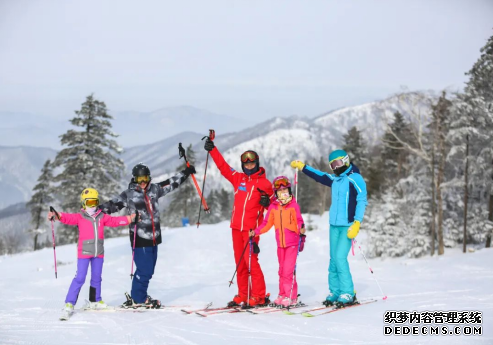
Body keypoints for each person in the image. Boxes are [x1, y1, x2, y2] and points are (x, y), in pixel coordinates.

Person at [99, 162, 195, 308]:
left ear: (149, 178)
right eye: (139, 179)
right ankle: (138, 298)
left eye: (145, 178)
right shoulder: (129, 195)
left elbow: (171, 183)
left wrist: (186, 172)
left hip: (154, 237)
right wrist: (95, 210)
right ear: (134, 179)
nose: (142, 182)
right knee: (145, 269)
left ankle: (140, 295)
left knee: (149, 271)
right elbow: (112, 205)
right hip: (140, 237)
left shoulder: (154, 190)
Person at [291, 149, 367, 306]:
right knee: (333, 260)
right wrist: (303, 167)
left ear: (345, 161)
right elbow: (319, 176)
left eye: (338, 163)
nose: (335, 167)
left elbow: (362, 200)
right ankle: (335, 291)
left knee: (340, 258)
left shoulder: (355, 178)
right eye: (332, 165)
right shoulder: (335, 180)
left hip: (348, 226)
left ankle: (348, 292)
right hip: (334, 226)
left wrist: (357, 222)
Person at [204, 138, 273, 307]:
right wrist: (213, 150)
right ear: (243, 165)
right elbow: (223, 167)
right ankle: (244, 294)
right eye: (246, 164)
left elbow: (275, 207)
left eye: (252, 164)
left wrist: (268, 203)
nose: (249, 167)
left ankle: (259, 296)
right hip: (236, 228)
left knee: (252, 263)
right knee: (240, 263)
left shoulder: (265, 184)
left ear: (257, 164)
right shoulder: (238, 179)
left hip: (251, 230)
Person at [48, 188, 137, 314]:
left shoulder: (102, 216)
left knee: (96, 278)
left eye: (95, 202)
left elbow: (115, 221)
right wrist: (56, 216)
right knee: (80, 278)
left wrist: (130, 218)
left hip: (98, 253)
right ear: (84, 203)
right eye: (89, 203)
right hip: (84, 253)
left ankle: (95, 300)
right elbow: (67, 218)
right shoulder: (79, 217)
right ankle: (69, 303)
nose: (93, 206)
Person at [249, 176, 306, 307]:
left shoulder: (293, 205)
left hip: (292, 243)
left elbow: (299, 220)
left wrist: (300, 228)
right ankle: (282, 294)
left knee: (288, 271)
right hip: (280, 245)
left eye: (285, 191)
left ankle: (291, 296)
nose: (283, 195)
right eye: (280, 192)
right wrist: (256, 232)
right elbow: (266, 224)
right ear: (276, 194)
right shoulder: (273, 207)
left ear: (290, 191)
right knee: (281, 271)